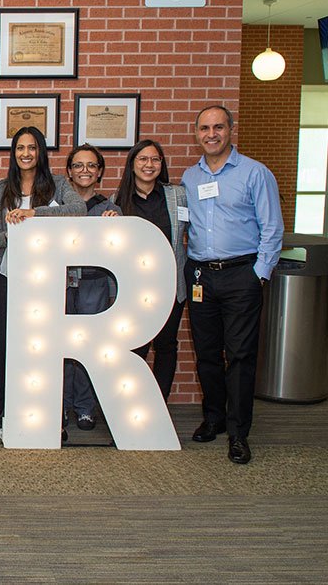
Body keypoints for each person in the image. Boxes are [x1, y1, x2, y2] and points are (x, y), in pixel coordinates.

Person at [181, 105, 283, 465]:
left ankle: (239, 434)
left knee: (239, 356)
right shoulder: (189, 178)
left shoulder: (255, 173)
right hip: (201, 276)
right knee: (206, 353)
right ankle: (214, 419)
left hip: (242, 273)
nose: (212, 134)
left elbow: (272, 227)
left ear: (230, 130)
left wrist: (260, 273)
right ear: (197, 133)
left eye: (218, 127)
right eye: (205, 128)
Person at [0, 126, 85, 436]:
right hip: (8, 276)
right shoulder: (3, 189)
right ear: (14, 153)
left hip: (46, 281)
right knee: (1, 343)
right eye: (20, 148)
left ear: (41, 152)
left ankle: (44, 409)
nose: (26, 153)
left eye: (32, 147)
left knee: (44, 345)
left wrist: (33, 214)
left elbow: (79, 210)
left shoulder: (58, 185)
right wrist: (14, 230)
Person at [111, 140, 188, 403]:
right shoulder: (116, 202)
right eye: (142, 159)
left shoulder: (177, 196)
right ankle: (132, 404)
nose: (149, 165)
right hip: (133, 291)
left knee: (166, 345)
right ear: (132, 164)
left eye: (155, 159)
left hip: (170, 286)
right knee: (134, 348)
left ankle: (159, 404)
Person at [63, 144, 120, 434]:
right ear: (69, 172)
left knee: (87, 348)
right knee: (61, 347)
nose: (84, 170)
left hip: (94, 283)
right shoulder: (58, 208)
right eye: (78, 165)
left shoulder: (110, 209)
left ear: (99, 172)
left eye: (91, 165)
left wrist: (115, 228)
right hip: (60, 283)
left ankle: (85, 408)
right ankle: (59, 406)